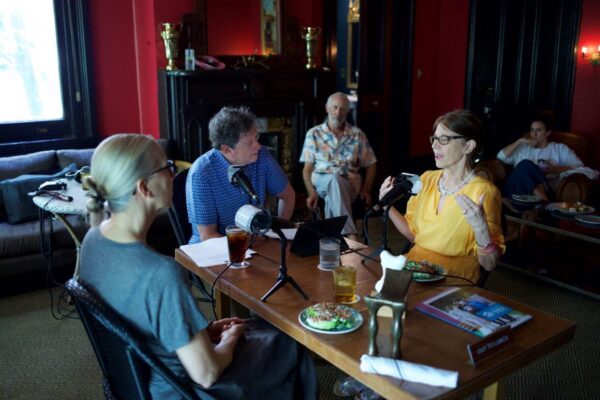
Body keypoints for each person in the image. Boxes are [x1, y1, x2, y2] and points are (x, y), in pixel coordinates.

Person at [79, 134, 317, 400]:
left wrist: (203, 332)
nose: (173, 177)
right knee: (288, 342)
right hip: (181, 390)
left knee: (263, 329)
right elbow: (207, 373)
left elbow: (144, 317)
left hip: (138, 383)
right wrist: (230, 338)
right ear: (144, 188)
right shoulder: (161, 274)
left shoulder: (93, 240)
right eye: (167, 168)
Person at [379, 109, 505, 284]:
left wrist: (481, 228)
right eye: (434, 138)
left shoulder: (484, 192)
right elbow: (414, 236)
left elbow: (489, 265)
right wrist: (388, 206)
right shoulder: (426, 179)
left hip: (453, 277)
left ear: (468, 146)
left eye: (444, 139)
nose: (434, 145)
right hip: (415, 267)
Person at [187, 106, 295, 243]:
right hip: (214, 251)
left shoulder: (262, 156)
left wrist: (278, 234)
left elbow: (288, 196)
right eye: (250, 142)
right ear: (226, 149)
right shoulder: (202, 173)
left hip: (256, 245)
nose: (258, 145)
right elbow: (208, 236)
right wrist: (251, 243)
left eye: (256, 138)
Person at [300, 92, 377, 239]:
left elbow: (372, 163)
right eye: (335, 107)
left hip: (350, 184)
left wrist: (366, 189)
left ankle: (331, 240)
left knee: (334, 189)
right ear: (327, 108)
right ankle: (350, 236)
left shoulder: (357, 134)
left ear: (348, 111)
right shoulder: (314, 134)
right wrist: (311, 192)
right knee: (333, 180)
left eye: (342, 108)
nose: (338, 112)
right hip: (321, 181)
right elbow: (307, 169)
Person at [497, 112, 583, 200]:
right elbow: (501, 157)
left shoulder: (559, 148)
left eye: (538, 130)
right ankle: (544, 202)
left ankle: (539, 200)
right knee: (525, 164)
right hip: (516, 189)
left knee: (526, 166)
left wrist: (555, 169)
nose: (534, 134)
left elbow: (579, 165)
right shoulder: (523, 147)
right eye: (532, 130)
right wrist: (520, 141)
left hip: (545, 189)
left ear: (548, 132)